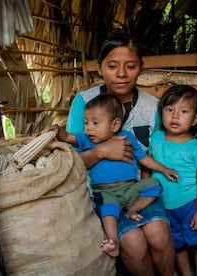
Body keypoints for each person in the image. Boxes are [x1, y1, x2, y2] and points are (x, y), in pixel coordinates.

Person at [61, 32, 175, 276]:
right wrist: (102, 151)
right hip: (100, 195)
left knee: (159, 234)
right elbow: (71, 162)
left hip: (136, 190)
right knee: (134, 244)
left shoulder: (152, 106)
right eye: (112, 66)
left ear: (141, 67)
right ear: (100, 67)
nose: (121, 74)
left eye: (130, 66)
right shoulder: (85, 103)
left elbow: (153, 155)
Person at [50, 93, 178, 258]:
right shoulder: (87, 140)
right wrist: (56, 130)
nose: (89, 128)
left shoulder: (127, 138)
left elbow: (144, 158)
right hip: (107, 194)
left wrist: (164, 169)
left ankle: (133, 209)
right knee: (108, 212)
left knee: (154, 184)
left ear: (115, 124)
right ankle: (113, 242)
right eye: (86, 123)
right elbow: (67, 137)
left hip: (131, 188)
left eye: (95, 123)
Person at [149, 85, 197, 276]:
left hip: (190, 204)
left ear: (195, 119)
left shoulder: (196, 148)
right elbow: (146, 167)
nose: (175, 116)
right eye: (169, 110)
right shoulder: (156, 139)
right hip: (163, 206)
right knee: (177, 246)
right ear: (161, 113)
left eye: (183, 111)